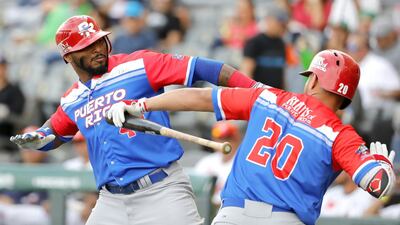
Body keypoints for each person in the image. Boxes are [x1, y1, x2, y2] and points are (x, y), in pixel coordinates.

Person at [9, 15, 263, 225]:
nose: (97, 49)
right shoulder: (71, 99)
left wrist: (256, 90)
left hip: (161, 189)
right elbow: (53, 133)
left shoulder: (139, 65)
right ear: (68, 56)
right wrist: (38, 140)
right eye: (86, 47)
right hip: (111, 200)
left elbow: (205, 68)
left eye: (99, 41)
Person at [105, 49, 397, 225]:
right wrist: (382, 163)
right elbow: (378, 184)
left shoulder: (270, 97)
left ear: (315, 80)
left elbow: (201, 98)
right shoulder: (341, 135)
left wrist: (143, 105)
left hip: (234, 215)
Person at [241, 3, 289, 89]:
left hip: (276, 96)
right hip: (258, 96)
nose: (282, 28)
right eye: (280, 23)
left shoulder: (281, 44)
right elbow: (246, 73)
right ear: (269, 20)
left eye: (284, 25)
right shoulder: (254, 42)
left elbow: (281, 75)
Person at [194, 121, 242, 207]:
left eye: (227, 139)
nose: (223, 144)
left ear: (237, 140)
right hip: (205, 209)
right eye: (220, 139)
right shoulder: (206, 162)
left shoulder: (242, 165)